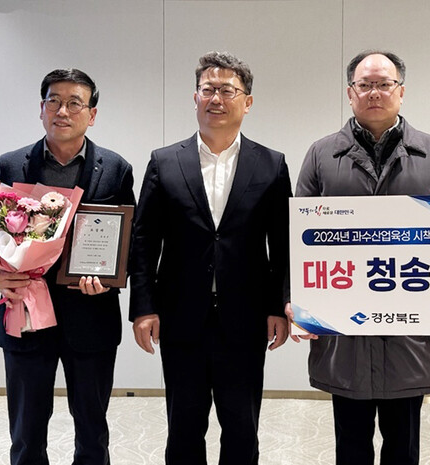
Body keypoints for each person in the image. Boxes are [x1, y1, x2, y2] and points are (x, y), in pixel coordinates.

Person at [287, 50, 430, 465]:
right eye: (365, 85)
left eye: (384, 84)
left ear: (401, 91)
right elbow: (298, 240)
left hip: (409, 338)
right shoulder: (322, 155)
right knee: (351, 448)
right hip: (344, 337)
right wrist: (295, 300)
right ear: (350, 93)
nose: (374, 93)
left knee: (403, 448)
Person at [130, 51, 292, 465]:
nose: (216, 98)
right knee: (184, 428)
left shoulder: (271, 164)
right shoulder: (165, 162)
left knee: (242, 428)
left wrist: (279, 306)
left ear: (247, 101)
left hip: (246, 318)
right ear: (195, 97)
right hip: (181, 317)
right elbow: (144, 241)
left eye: (227, 90)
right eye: (208, 89)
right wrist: (143, 307)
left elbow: (283, 244)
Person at [0, 68, 135, 465]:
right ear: (41, 109)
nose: (63, 111)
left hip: (91, 318)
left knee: (92, 434)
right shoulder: (10, 165)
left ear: (92, 114)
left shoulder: (116, 168)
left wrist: (111, 280)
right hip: (24, 317)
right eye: (54, 101)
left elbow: (132, 240)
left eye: (75, 103)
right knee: (26, 436)